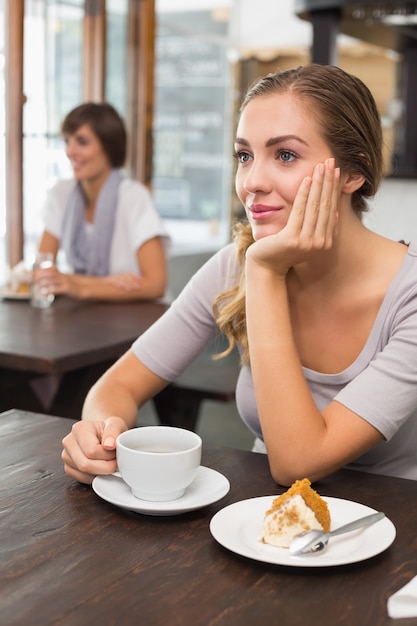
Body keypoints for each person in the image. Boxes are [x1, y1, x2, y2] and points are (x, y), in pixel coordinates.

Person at [62, 64, 417, 488]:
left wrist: (266, 272)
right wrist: (99, 434)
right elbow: (117, 385)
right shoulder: (239, 261)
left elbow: (297, 463)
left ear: (354, 173)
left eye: (285, 155)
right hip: (262, 523)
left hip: (389, 528)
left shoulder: (407, 295)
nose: (251, 182)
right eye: (245, 156)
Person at [36, 102, 170, 301]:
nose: (70, 151)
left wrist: (78, 287)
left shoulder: (133, 196)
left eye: (82, 142)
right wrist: (108, 283)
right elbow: (42, 272)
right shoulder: (61, 194)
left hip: (137, 320)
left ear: (109, 146)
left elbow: (156, 284)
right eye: (67, 141)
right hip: (84, 316)